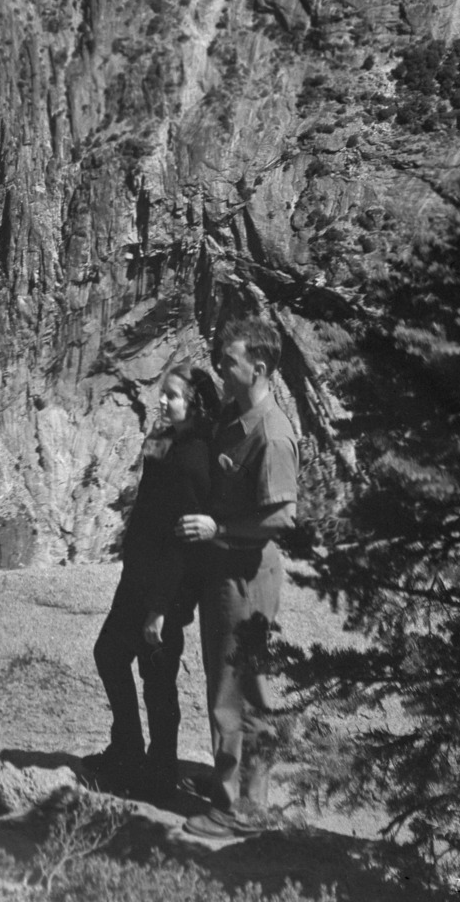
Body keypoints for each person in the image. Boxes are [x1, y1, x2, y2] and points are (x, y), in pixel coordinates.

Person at [177, 314, 300, 839]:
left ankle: (236, 809)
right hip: (227, 566)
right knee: (237, 684)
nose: (220, 369)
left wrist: (218, 527)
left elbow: (281, 516)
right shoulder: (236, 414)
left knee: (236, 690)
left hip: (247, 572)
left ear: (260, 366)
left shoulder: (271, 434)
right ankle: (246, 798)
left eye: (228, 362)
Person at [87, 363, 218, 799]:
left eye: (173, 396)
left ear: (195, 405)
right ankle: (130, 751)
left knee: (156, 675)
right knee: (111, 654)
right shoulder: (169, 443)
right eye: (163, 393)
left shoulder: (195, 455)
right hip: (140, 577)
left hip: (165, 587)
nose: (162, 401)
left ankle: (159, 772)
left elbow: (184, 543)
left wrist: (161, 608)